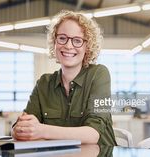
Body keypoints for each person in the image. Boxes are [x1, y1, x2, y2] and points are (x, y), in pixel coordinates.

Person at [11, 10, 117, 146]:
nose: (68, 45)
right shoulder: (44, 83)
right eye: (62, 38)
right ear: (54, 42)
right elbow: (20, 127)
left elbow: (92, 134)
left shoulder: (99, 74)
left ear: (88, 46)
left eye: (77, 41)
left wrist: (41, 131)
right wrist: (20, 130)